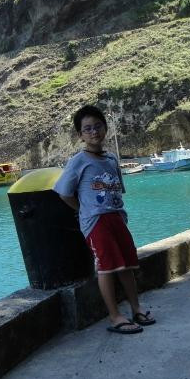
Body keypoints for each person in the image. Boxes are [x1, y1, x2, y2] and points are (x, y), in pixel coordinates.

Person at [54, 105, 156, 334]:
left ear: (105, 128)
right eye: (87, 129)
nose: (93, 132)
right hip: (96, 222)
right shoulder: (78, 161)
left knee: (127, 265)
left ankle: (136, 308)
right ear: (80, 135)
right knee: (107, 268)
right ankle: (115, 316)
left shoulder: (111, 158)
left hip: (117, 218)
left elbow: (117, 189)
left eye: (97, 126)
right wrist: (84, 210)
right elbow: (64, 193)